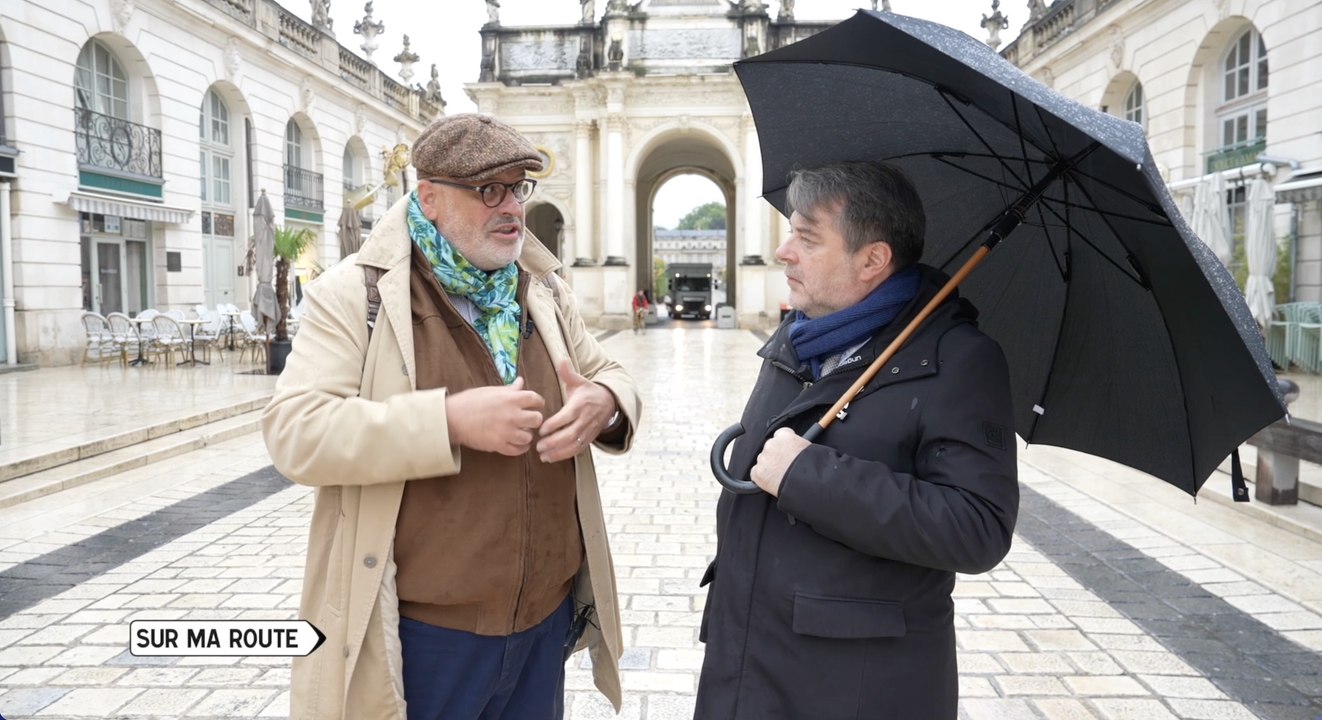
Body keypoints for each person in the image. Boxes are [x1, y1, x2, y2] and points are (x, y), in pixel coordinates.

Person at [262, 113, 640, 720]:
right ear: (430, 197)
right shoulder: (356, 295)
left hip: (544, 628)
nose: (511, 206)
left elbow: (610, 374)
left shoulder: (543, 290)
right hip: (426, 639)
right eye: (489, 189)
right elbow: (295, 431)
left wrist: (606, 404)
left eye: (520, 188)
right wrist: (447, 423)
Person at [694, 161, 1018, 719]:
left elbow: (977, 528)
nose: (783, 251)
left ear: (873, 259)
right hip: (748, 663)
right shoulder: (800, 338)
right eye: (790, 230)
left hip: (851, 688)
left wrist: (808, 477)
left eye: (807, 236)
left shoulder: (960, 360)